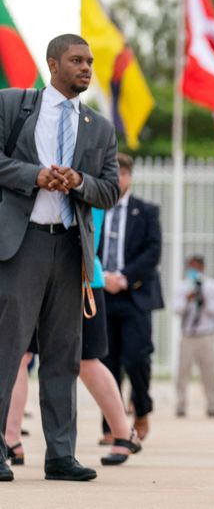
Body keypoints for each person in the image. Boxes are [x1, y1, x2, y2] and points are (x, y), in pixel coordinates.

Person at [0, 33, 120, 482]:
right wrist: (36, 176)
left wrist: (77, 181)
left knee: (64, 356)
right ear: (53, 64)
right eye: (76, 60)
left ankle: (60, 455)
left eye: (89, 61)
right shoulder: (13, 105)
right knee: (7, 349)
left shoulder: (100, 127)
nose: (86, 67)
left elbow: (109, 190)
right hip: (20, 245)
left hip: (70, 250)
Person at [5, 208, 143, 467]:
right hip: (37, 276)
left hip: (81, 278)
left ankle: (123, 432)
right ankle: (12, 438)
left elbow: (90, 232)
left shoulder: (84, 179)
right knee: (20, 356)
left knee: (87, 361)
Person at [99, 153, 164, 443]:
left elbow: (153, 251)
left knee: (136, 357)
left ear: (130, 177)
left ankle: (141, 409)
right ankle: (112, 427)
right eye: (114, 173)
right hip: (102, 293)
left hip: (135, 294)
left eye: (123, 174)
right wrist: (104, 277)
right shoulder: (95, 209)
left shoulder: (146, 211)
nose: (118, 179)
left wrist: (123, 277)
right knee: (106, 361)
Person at [174, 255, 214, 418]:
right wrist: (188, 300)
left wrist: (204, 299)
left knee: (208, 372)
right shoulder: (182, 286)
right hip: (188, 334)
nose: (193, 270)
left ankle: (212, 405)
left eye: (196, 267)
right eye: (190, 267)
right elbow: (176, 309)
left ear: (202, 268)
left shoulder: (212, 286)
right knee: (183, 372)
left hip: (206, 335)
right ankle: (180, 405)